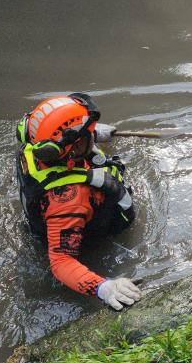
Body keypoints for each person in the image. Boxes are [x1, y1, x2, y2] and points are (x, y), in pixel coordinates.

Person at [14, 92, 142, 311]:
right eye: (87, 134)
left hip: (50, 211)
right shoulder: (69, 199)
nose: (91, 135)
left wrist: (92, 135)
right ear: (73, 147)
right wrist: (103, 287)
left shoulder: (34, 144)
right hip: (80, 231)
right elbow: (61, 261)